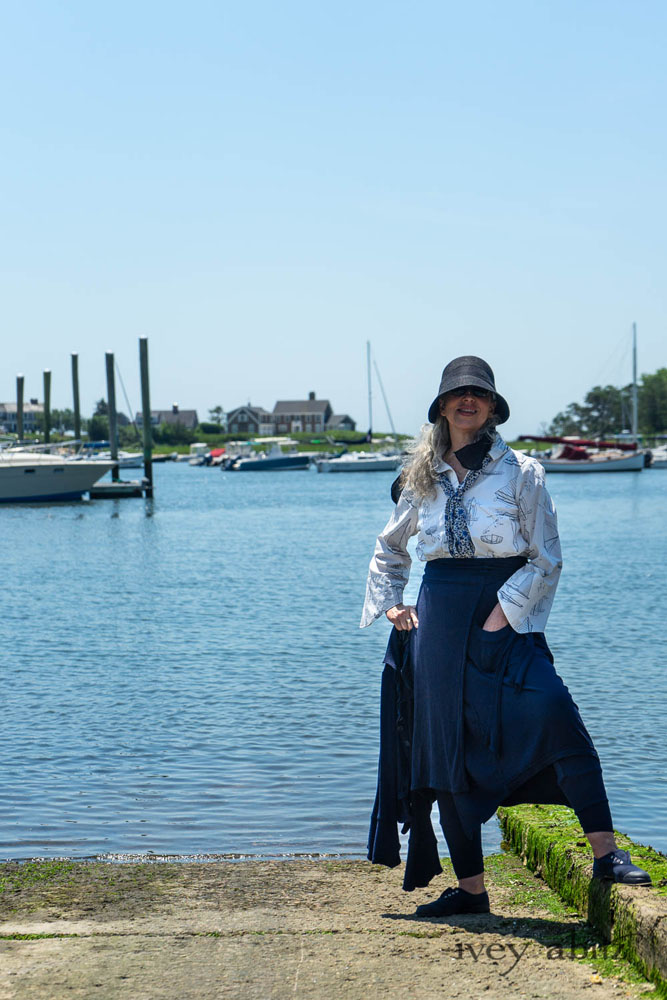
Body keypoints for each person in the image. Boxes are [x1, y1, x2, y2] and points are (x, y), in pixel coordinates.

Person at [360, 355, 651, 918]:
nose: (467, 401)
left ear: (492, 407)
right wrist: (393, 605)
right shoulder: (420, 476)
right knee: (447, 753)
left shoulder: (522, 471)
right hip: (438, 621)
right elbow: (389, 548)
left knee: (555, 715)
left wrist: (503, 615)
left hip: (506, 617)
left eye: (479, 394)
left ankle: (606, 855)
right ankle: (472, 891)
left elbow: (547, 558)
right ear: (442, 406)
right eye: (457, 394)